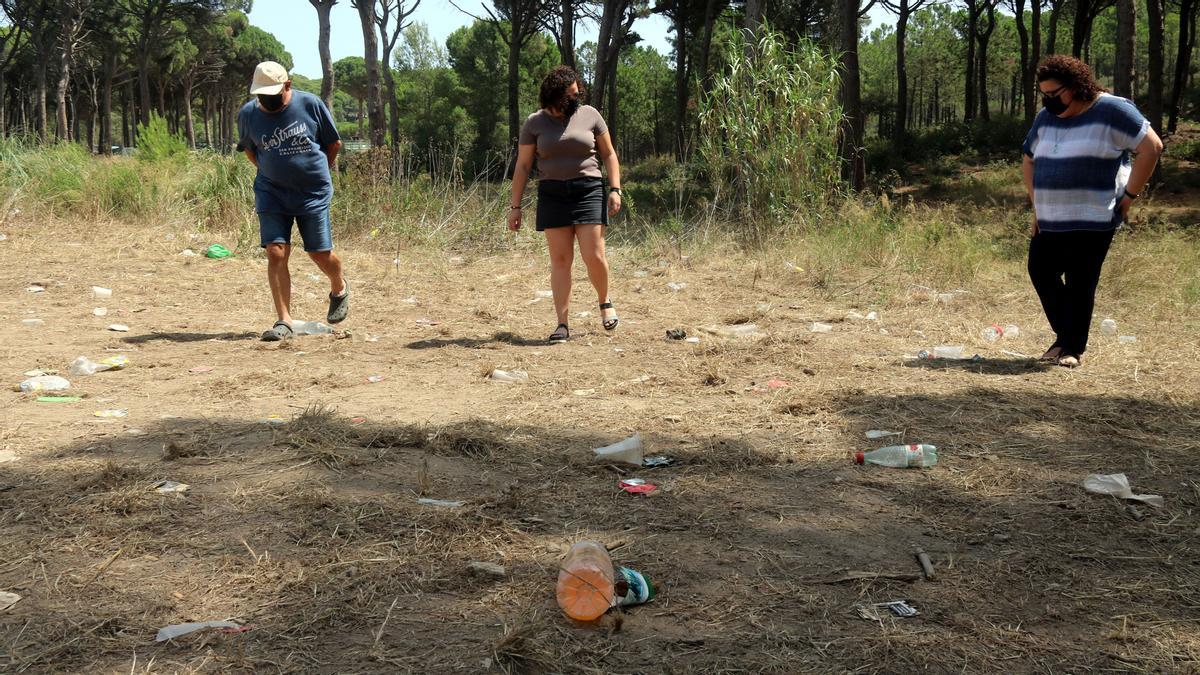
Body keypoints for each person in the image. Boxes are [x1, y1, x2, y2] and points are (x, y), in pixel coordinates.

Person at [1021, 55, 1162, 368]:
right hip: (1049, 218)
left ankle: (1071, 348)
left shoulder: (1113, 109)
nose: (1049, 101)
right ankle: (1065, 337)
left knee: (1080, 280)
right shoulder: (1046, 117)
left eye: (1055, 94)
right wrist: (1037, 206)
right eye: (1044, 94)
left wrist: (1129, 195)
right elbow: (1029, 159)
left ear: (1076, 85)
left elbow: (1151, 147)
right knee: (1040, 270)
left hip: (1094, 218)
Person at [508, 66, 622, 344]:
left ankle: (604, 302)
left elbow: (609, 154)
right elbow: (523, 167)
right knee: (560, 261)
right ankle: (562, 323)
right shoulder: (535, 123)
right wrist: (515, 206)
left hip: (588, 191)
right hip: (553, 194)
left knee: (593, 254)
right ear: (556, 96)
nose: (577, 96)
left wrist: (616, 189)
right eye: (571, 94)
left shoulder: (590, 114)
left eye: (577, 92)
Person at [237, 61, 350, 341]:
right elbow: (250, 151)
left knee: (319, 253)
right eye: (262, 96)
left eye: (272, 95)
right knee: (276, 252)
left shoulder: (310, 104)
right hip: (271, 192)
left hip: (312, 192)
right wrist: (272, 172)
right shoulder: (248, 114)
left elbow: (333, 144)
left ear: (287, 86)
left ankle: (339, 287)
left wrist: (315, 172)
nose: (267, 101)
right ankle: (284, 322)